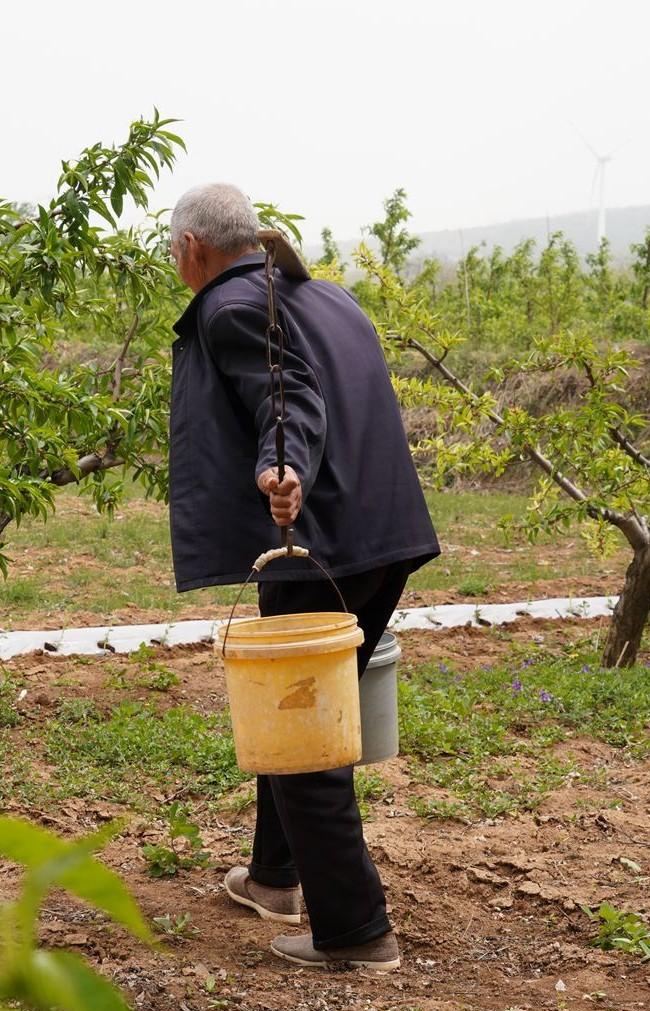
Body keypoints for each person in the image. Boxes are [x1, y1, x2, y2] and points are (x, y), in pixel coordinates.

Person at [165, 183, 440, 970]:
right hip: (382, 537)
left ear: (192, 249)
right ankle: (273, 877)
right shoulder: (326, 296)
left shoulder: (230, 308)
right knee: (302, 712)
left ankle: (355, 932)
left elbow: (288, 399)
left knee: (299, 735)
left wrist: (280, 466)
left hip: (316, 542)